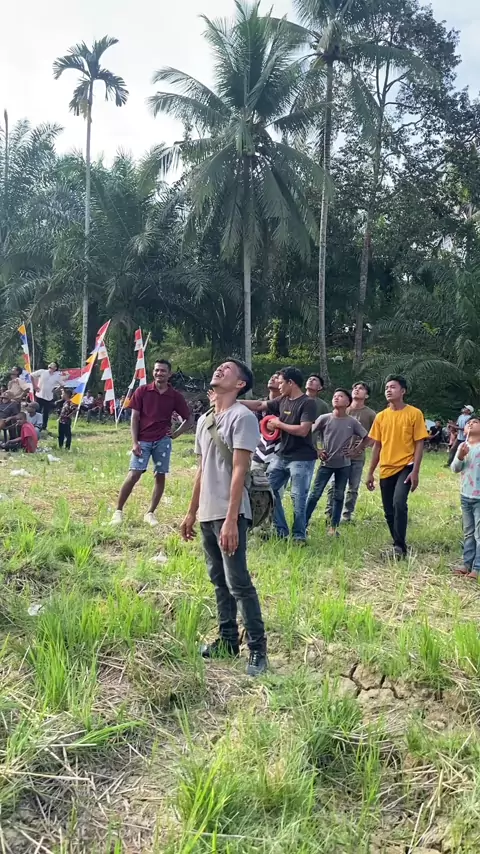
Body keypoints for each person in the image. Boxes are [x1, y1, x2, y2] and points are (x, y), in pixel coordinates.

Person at [181, 359, 267, 676]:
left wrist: (231, 520)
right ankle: (228, 641)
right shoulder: (206, 420)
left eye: (228, 369)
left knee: (238, 582)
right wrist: (191, 512)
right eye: (219, 367)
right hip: (207, 512)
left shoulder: (242, 417)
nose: (220, 370)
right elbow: (201, 470)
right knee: (218, 580)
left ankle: (258, 650)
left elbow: (240, 469)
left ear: (240, 384)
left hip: (230, 512)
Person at [111, 359, 193, 527]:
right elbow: (134, 418)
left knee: (160, 475)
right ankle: (118, 511)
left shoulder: (174, 396)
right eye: (156, 370)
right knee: (134, 474)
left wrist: (176, 434)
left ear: (169, 374)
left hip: (163, 440)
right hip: (143, 440)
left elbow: (189, 419)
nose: (159, 373)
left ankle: (150, 513)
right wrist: (134, 442)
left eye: (163, 370)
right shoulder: (142, 391)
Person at [243, 367, 317, 543]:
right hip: (282, 455)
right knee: (267, 490)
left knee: (298, 497)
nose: (279, 385)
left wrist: (279, 424)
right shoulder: (282, 399)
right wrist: (233, 401)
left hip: (302, 458)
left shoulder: (307, 403)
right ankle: (281, 530)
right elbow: (260, 405)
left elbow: (303, 430)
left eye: (282, 382)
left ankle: (299, 535)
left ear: (291, 383)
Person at [366, 375, 429, 559]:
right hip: (386, 467)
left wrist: (415, 471)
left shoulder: (414, 413)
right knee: (389, 511)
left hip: (406, 466)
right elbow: (377, 446)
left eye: (393, 387)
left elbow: (419, 443)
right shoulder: (381, 416)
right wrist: (370, 472)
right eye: (387, 387)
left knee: (399, 502)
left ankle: (399, 547)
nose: (388, 390)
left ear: (403, 391)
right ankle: (397, 543)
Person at [306, 389, 370, 534]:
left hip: (344, 465)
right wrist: (317, 450)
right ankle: (302, 524)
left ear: (347, 402)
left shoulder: (352, 422)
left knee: (339, 496)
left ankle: (333, 528)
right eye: (334, 396)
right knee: (315, 494)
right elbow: (308, 433)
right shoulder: (325, 418)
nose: (336, 398)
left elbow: (367, 438)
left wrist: (356, 450)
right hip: (326, 464)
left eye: (340, 396)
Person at [325, 381, 376, 523]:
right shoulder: (343, 410)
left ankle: (346, 515)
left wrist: (359, 448)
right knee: (334, 485)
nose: (357, 390)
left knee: (353, 487)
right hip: (339, 454)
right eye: (355, 388)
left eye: (361, 389)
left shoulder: (370, 414)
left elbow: (374, 436)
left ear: (366, 395)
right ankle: (329, 513)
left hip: (357, 456)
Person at [451, 417, 480, 579]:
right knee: (468, 532)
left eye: (475, 422)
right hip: (466, 495)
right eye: (469, 422)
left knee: (479, 534)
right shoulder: (463, 446)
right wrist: (460, 456)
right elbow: (455, 468)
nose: (470, 423)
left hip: (479, 497)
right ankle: (467, 564)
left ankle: (477, 568)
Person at [251, 373, 282, 472]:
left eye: (276, 378)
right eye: (272, 376)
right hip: (259, 453)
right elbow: (252, 426)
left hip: (280, 455)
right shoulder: (259, 403)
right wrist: (263, 425)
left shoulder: (287, 405)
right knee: (254, 479)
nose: (272, 378)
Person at [31, 362, 66, 430]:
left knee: (46, 412)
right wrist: (35, 386)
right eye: (50, 364)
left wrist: (56, 390)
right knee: (37, 411)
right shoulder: (42, 371)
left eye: (53, 365)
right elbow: (31, 375)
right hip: (39, 395)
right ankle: (35, 425)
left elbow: (62, 384)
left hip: (48, 397)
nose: (51, 365)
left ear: (55, 368)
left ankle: (44, 426)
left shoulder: (57, 376)